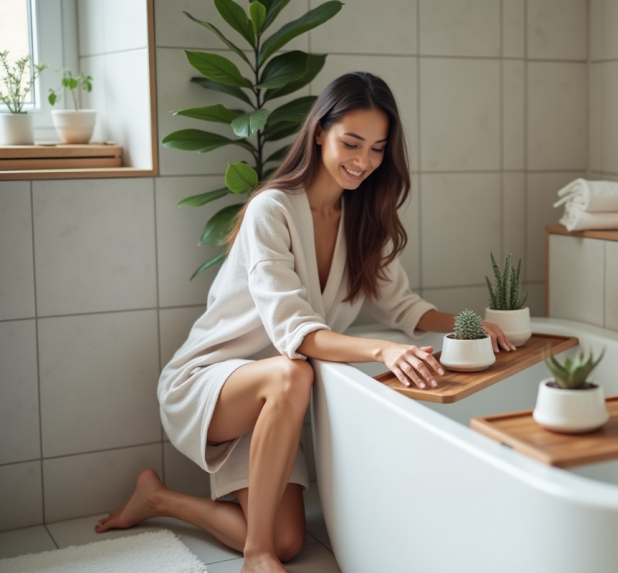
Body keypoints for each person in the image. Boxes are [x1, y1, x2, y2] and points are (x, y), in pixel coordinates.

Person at [94, 72, 514, 573]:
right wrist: (381, 351)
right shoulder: (270, 210)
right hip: (212, 382)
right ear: (319, 132)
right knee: (295, 372)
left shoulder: (363, 220)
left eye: (378, 149)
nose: (363, 162)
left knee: (290, 541)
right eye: (351, 142)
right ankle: (256, 558)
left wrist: (467, 326)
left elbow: (404, 308)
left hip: (277, 400)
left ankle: (158, 500)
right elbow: (297, 334)